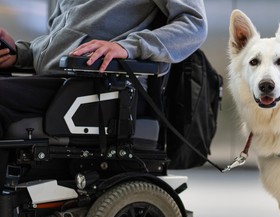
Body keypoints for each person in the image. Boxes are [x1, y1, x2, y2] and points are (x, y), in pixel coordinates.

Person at [0, 0, 208, 187]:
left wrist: (127, 47)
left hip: (105, 88)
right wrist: (21, 54)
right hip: (62, 80)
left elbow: (194, 25)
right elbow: (61, 41)